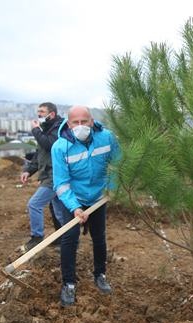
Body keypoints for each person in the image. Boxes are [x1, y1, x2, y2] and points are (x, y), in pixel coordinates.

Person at [51, 105, 121, 306]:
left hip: (99, 196)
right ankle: (69, 283)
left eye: (84, 121)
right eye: (76, 122)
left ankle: (100, 274)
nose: (80, 126)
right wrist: (75, 207)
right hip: (73, 197)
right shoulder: (60, 147)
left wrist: (111, 188)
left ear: (92, 121)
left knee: (99, 237)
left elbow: (117, 163)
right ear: (69, 123)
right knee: (70, 238)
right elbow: (61, 184)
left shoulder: (107, 137)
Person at [20, 102, 63, 252]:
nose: (39, 114)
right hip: (48, 175)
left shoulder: (58, 129)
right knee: (59, 211)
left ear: (51, 114)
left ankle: (37, 237)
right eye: (38, 111)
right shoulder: (46, 129)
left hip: (55, 175)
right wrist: (28, 170)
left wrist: (36, 130)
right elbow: (40, 154)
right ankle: (68, 238)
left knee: (34, 204)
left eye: (42, 112)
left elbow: (50, 145)